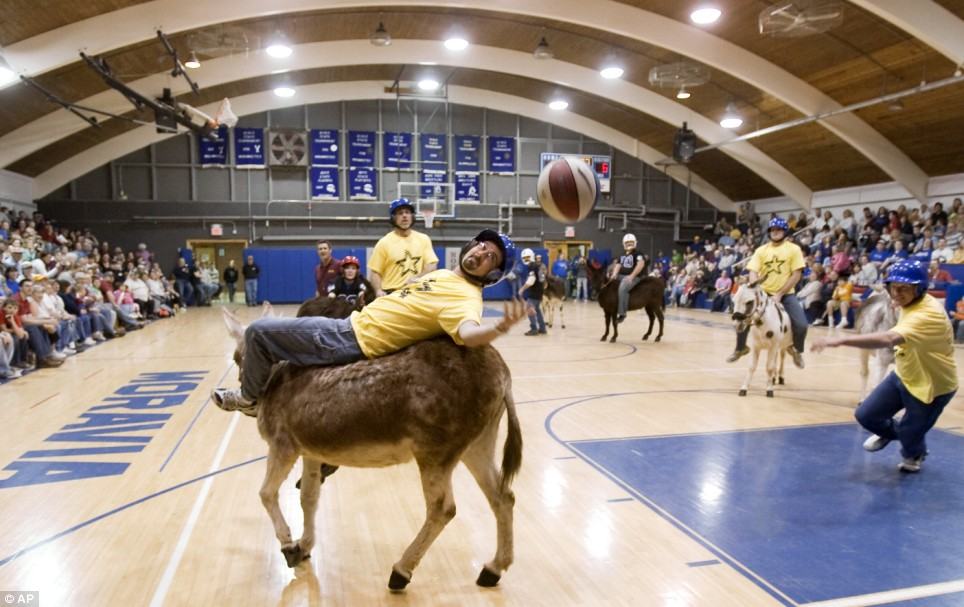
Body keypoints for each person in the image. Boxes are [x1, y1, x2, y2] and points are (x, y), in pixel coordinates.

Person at [212, 230, 525, 415]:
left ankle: (249, 399)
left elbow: (468, 333)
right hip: (351, 325)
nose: (481, 254)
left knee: (257, 332)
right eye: (483, 246)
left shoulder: (467, 298)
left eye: (491, 258)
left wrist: (498, 328)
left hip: (349, 339)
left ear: (493, 275)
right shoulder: (444, 274)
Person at [812, 260, 958, 473]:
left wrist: (840, 340)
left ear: (920, 288)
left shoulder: (929, 314)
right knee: (866, 415)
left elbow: (889, 338)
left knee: (910, 438)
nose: (896, 293)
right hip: (904, 374)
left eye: (904, 288)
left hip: (932, 385)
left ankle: (915, 452)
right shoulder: (907, 303)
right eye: (893, 288)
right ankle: (903, 433)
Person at [727, 216, 807, 367]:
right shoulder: (761, 250)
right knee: (742, 315)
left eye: (778, 230)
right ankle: (740, 347)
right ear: (769, 232)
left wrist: (780, 294)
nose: (775, 232)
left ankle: (796, 349)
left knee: (801, 324)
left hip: (786, 294)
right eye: (773, 230)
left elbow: (797, 274)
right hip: (763, 293)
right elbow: (753, 271)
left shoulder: (794, 249)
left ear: (785, 231)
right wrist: (754, 287)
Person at [369, 199, 438, 297]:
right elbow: (375, 272)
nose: (404, 216)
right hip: (392, 293)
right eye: (400, 213)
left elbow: (432, 265)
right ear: (393, 218)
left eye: (407, 212)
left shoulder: (423, 239)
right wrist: (378, 291)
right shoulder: (384, 243)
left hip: (416, 292)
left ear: (412, 216)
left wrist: (417, 278)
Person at [611, 233, 647, 324]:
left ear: (635, 243)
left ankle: (622, 313)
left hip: (634, 276)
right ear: (624, 244)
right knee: (609, 282)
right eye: (627, 243)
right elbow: (618, 265)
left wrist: (631, 276)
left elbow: (640, 265)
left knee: (623, 287)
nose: (629, 244)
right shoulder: (622, 254)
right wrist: (614, 274)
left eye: (631, 242)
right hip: (621, 275)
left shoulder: (638, 254)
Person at [517, 248, 546, 336]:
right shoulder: (537, 265)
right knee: (537, 310)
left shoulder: (531, 267)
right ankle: (542, 328)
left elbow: (531, 280)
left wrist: (522, 289)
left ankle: (534, 329)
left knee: (530, 310)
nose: (526, 260)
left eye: (527, 257)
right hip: (539, 291)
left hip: (534, 292)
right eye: (525, 258)